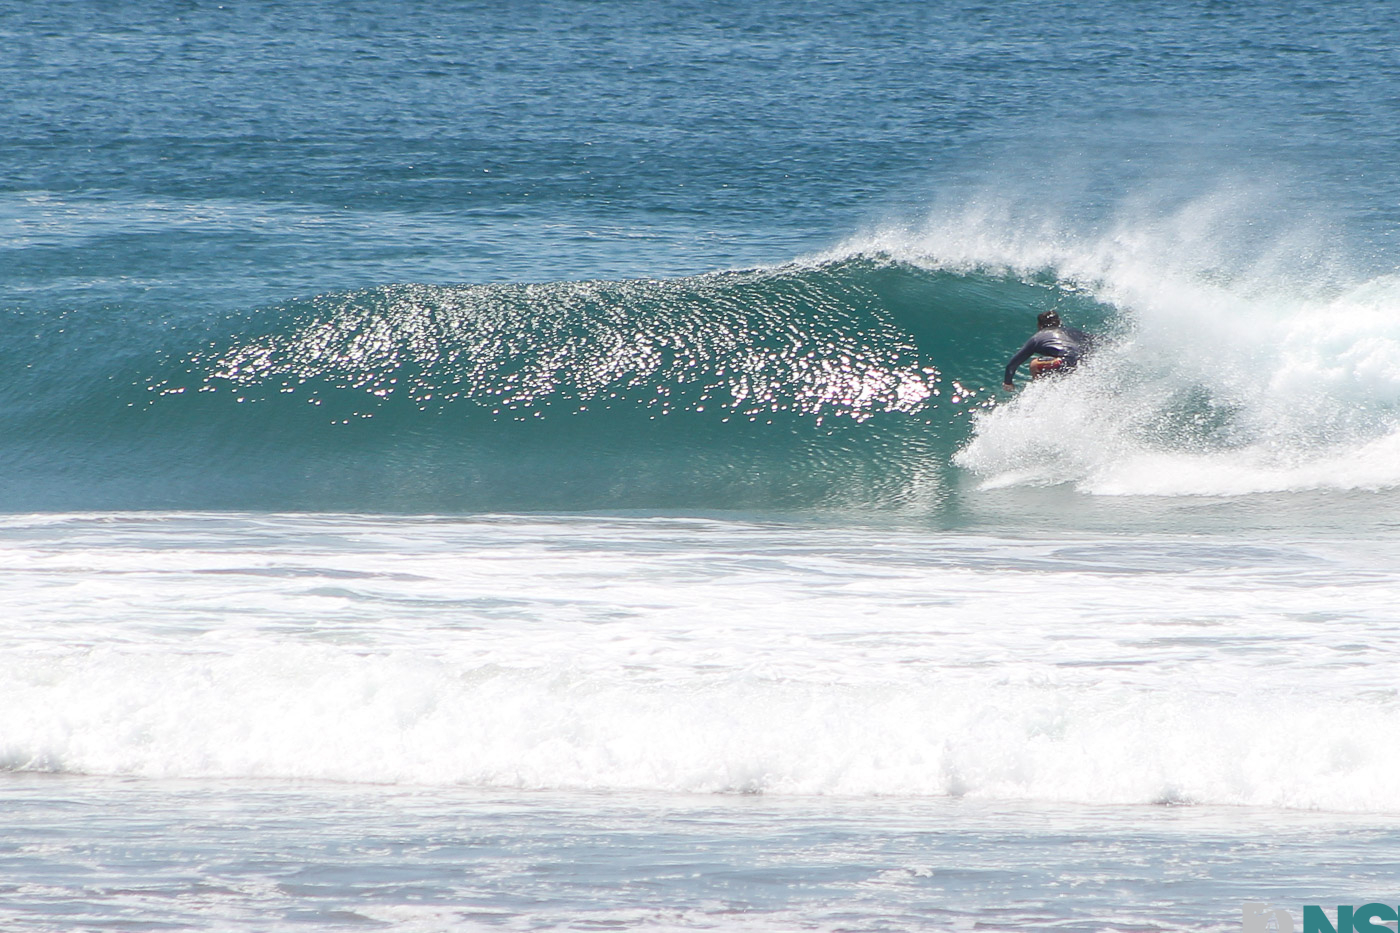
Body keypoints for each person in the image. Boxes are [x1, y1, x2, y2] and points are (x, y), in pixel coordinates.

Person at [1002, 311, 1094, 391]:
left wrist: (1008, 383)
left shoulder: (1038, 337)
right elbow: (1093, 341)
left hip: (1063, 362)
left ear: (1039, 325)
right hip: (1081, 362)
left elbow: (1012, 364)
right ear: (1059, 322)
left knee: (1034, 364)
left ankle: (1040, 392)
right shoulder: (1073, 331)